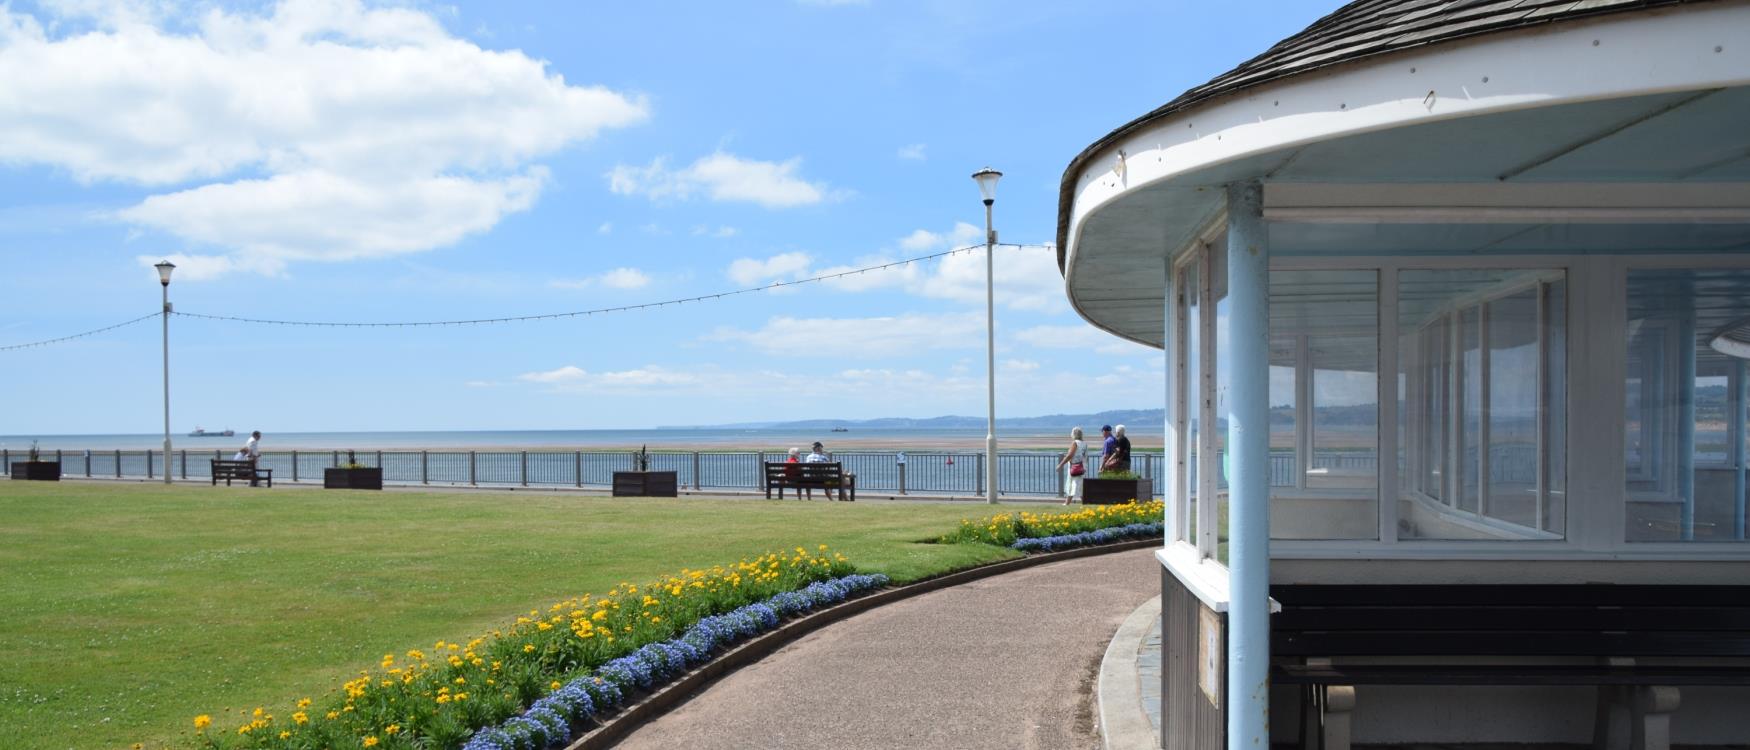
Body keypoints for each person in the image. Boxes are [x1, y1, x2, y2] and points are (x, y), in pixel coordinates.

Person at [1056, 427, 1087, 505]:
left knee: (1072, 484)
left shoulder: (1075, 443)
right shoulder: (1084, 443)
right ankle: (1085, 502)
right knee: (1080, 486)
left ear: (1073, 434)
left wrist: (1060, 465)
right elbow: (1085, 456)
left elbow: (1069, 455)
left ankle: (1067, 503)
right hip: (1081, 466)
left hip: (1074, 466)